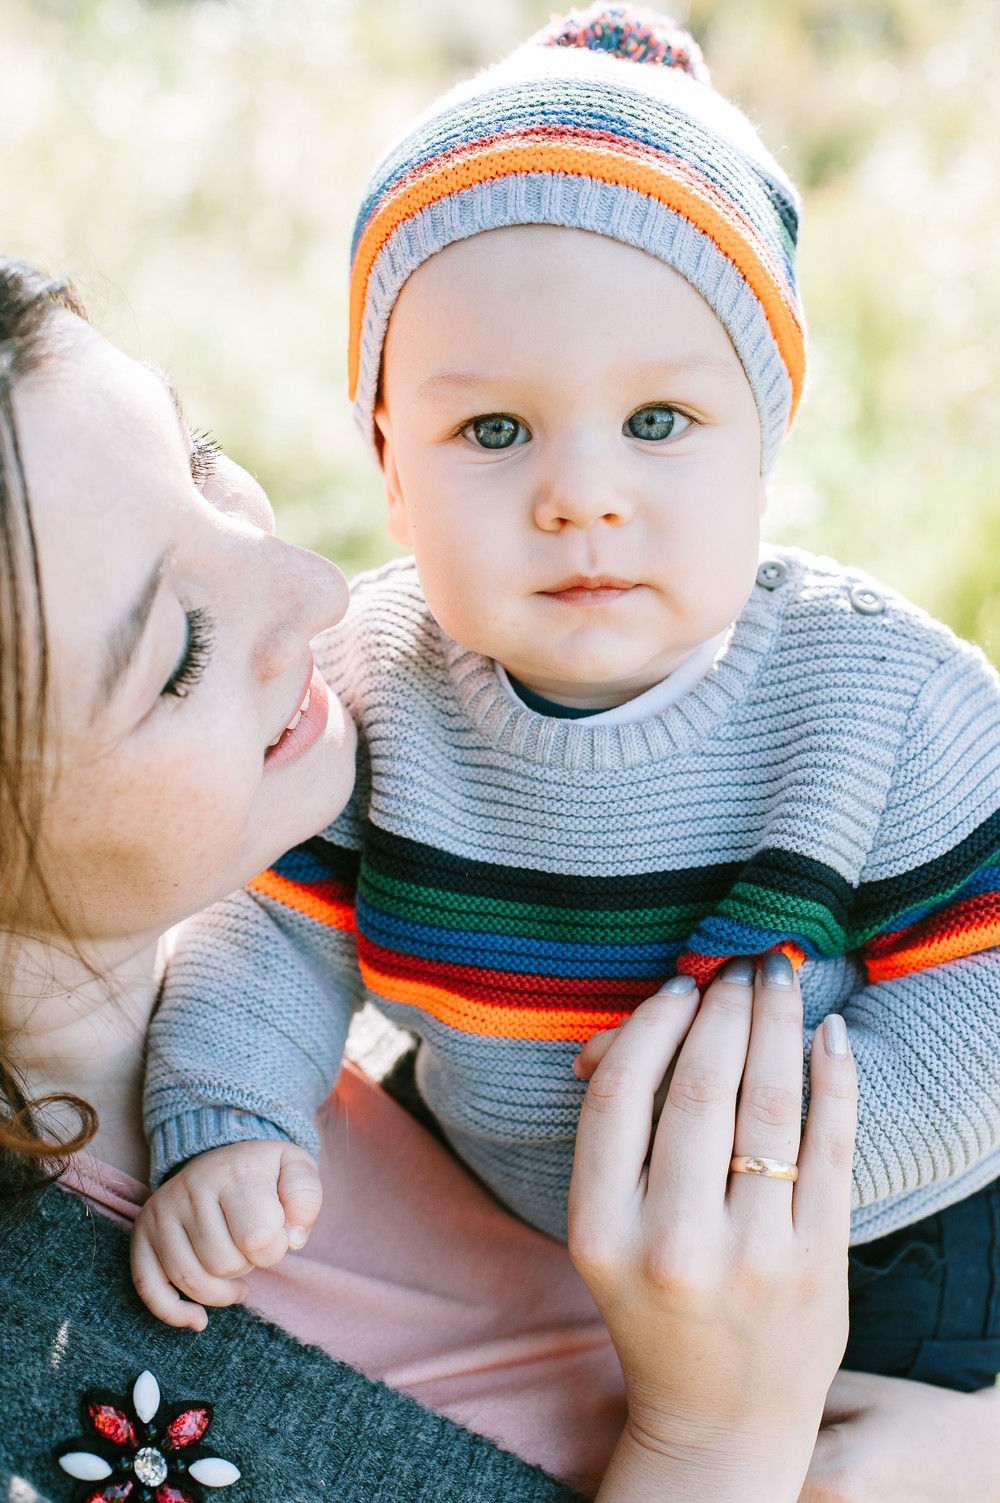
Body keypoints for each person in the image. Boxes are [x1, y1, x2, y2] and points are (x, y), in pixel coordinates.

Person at [0, 259, 995, 1503]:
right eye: (179, 650)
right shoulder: (62, 1387)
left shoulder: (279, 881)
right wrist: (717, 1446)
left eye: (198, 456)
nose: (314, 587)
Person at [140, 3, 1000, 1398]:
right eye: (493, 430)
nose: (581, 493)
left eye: (659, 423)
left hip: (864, 1237)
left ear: (763, 445)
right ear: (391, 471)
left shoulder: (879, 704)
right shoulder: (375, 685)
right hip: (503, 1204)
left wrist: (761, 1178)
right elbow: (273, 927)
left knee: (847, 1467)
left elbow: (987, 984)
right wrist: (229, 1112)